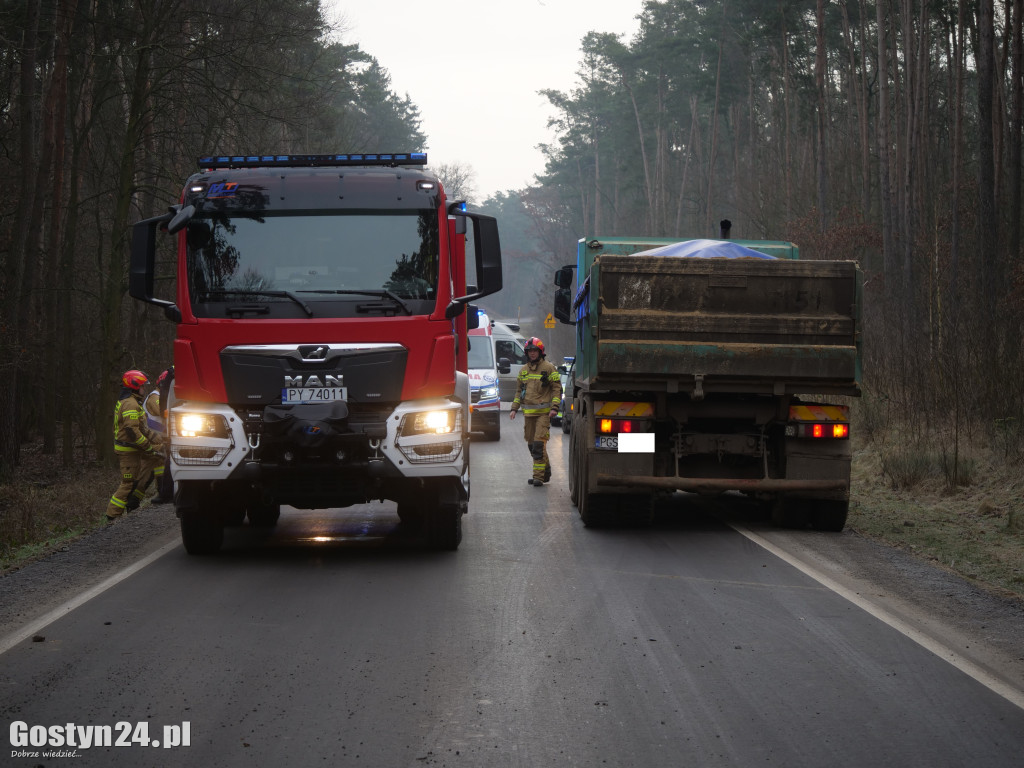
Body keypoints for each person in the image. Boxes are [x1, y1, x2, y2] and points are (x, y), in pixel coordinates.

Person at [105, 369, 164, 521]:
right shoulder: (130, 404)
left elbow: (143, 428)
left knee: (157, 457)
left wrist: (157, 440)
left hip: (133, 447)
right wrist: (147, 445)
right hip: (128, 449)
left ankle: (160, 492)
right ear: (134, 386)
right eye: (142, 386)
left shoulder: (133, 402)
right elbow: (132, 430)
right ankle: (112, 517)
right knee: (127, 483)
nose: (144, 389)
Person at [509, 337, 561, 487]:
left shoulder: (549, 368)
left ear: (540, 352)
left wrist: (554, 408)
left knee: (538, 445)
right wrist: (514, 409)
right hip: (529, 415)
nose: (532, 353)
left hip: (544, 414)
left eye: (535, 351)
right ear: (526, 353)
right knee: (532, 446)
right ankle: (546, 471)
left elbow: (557, 389)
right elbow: (519, 392)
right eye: (530, 351)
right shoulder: (523, 371)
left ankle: (538, 477)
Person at [143, 367, 173, 504]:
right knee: (145, 474)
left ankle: (162, 491)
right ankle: (134, 500)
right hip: (153, 439)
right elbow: (163, 412)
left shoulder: (160, 396)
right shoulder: (154, 397)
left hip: (159, 439)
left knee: (159, 468)